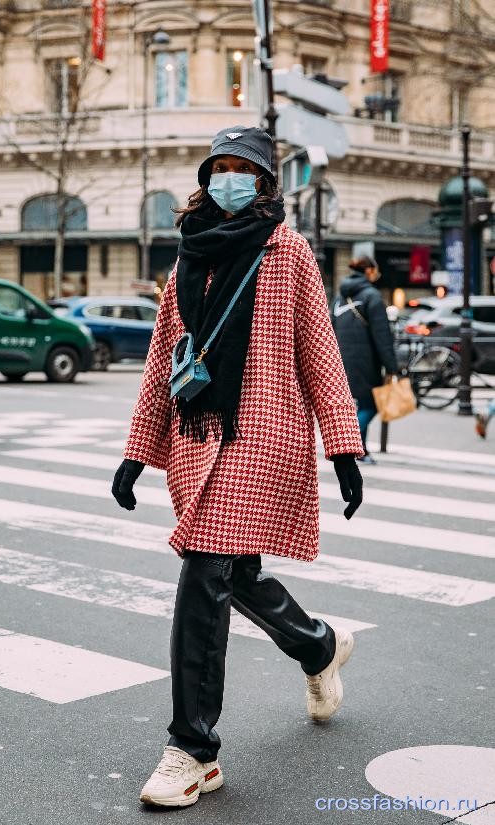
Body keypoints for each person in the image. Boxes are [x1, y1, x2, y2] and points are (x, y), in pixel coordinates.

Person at [112, 126, 365, 808]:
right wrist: (138, 449)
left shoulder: (289, 251)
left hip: (265, 433)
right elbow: (167, 355)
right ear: (206, 177)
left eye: (242, 169)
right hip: (201, 433)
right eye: (218, 167)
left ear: (263, 181)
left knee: (204, 566)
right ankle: (317, 644)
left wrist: (343, 445)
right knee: (230, 569)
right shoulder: (188, 254)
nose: (228, 178)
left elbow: (319, 350)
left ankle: (193, 748)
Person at [331, 256, 398, 464]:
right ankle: (350, 445)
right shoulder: (372, 297)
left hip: (340, 359)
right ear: (369, 271)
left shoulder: (338, 297)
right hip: (366, 361)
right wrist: (392, 367)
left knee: (358, 404)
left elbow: (329, 329)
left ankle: (361, 450)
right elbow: (382, 336)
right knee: (371, 404)